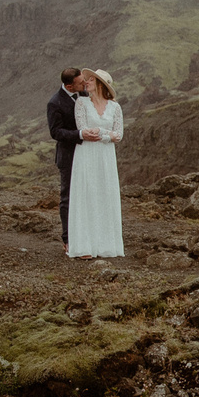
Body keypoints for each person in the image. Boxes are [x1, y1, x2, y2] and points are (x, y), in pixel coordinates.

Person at [67, 68, 125, 259]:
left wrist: (101, 133)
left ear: (100, 84)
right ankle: (84, 246)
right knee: (87, 194)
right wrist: (106, 134)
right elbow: (83, 129)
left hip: (105, 156)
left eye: (91, 80)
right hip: (86, 154)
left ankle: (105, 245)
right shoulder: (81, 103)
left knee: (104, 193)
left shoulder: (115, 107)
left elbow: (119, 135)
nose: (86, 82)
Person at [45, 67, 84, 240]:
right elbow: (56, 132)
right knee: (67, 197)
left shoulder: (83, 95)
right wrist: (79, 135)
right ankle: (68, 238)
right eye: (80, 82)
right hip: (68, 156)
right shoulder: (55, 103)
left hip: (86, 154)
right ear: (69, 86)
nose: (85, 84)